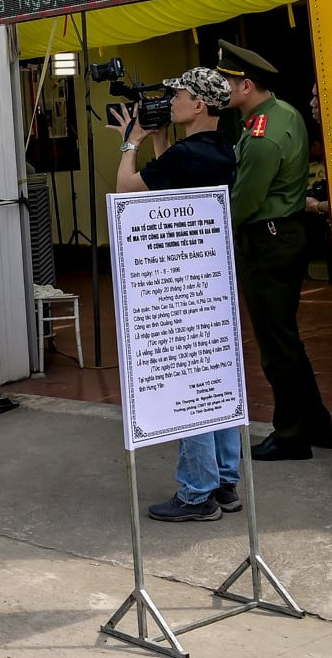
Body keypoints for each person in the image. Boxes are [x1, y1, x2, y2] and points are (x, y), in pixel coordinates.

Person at [106, 68, 244, 523]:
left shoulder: (188, 155)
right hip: (210, 283)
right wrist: (161, 138)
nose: (170, 103)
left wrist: (130, 144)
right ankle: (225, 482)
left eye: (178, 95)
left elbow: (128, 188)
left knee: (190, 386)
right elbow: (173, 185)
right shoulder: (218, 150)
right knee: (215, 380)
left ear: (199, 104)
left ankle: (196, 493)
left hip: (178, 284)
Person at [218, 40, 332, 460]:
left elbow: (245, 200)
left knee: (275, 345)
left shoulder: (262, 136)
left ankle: (290, 435)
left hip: (266, 241)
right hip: (285, 234)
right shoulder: (285, 113)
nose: (222, 88)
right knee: (286, 338)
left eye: (227, 81)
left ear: (246, 85)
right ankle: (316, 424)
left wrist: (216, 230)